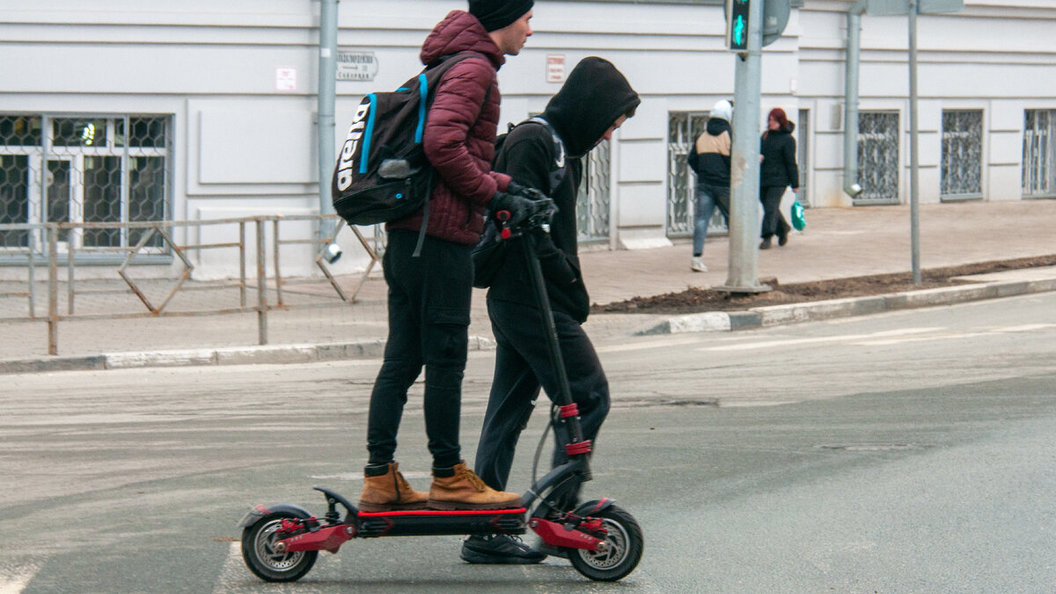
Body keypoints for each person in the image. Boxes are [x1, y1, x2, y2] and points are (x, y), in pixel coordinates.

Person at [358, 0, 541, 513]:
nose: (531, 27)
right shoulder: (475, 67)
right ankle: (448, 476)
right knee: (444, 357)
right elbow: (443, 145)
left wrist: (506, 188)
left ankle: (380, 477)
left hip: (413, 235)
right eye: (526, 16)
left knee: (404, 357)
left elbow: (457, 154)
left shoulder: (452, 62)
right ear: (503, 18)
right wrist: (492, 195)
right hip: (437, 238)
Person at [460, 57, 640, 564]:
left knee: (510, 410)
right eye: (611, 123)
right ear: (590, 108)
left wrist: (570, 285)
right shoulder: (533, 143)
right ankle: (560, 518)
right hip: (527, 298)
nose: (609, 135)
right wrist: (565, 278)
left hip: (537, 299)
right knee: (589, 395)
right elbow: (516, 224)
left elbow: (555, 235)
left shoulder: (566, 151)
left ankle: (486, 529)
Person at [687, 99, 733, 272]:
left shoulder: (702, 136)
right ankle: (738, 258)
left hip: (705, 184)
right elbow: (734, 160)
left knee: (701, 220)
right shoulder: (728, 134)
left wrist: (704, 172)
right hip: (724, 186)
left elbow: (692, 159)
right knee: (733, 220)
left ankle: (696, 258)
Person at [758, 107, 799, 249]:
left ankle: (767, 237)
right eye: (769, 120)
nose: (771, 123)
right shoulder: (765, 136)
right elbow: (759, 152)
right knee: (770, 207)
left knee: (770, 206)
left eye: (774, 120)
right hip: (763, 178)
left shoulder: (788, 140)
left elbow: (791, 162)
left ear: (781, 121)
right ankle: (783, 228)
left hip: (779, 180)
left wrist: (795, 183)